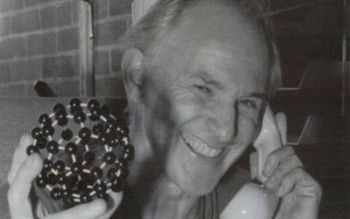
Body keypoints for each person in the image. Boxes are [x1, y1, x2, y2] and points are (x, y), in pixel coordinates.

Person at [7, 0, 322, 218]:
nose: (227, 130)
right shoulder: (46, 201)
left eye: (249, 102)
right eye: (203, 88)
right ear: (137, 77)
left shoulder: (244, 203)